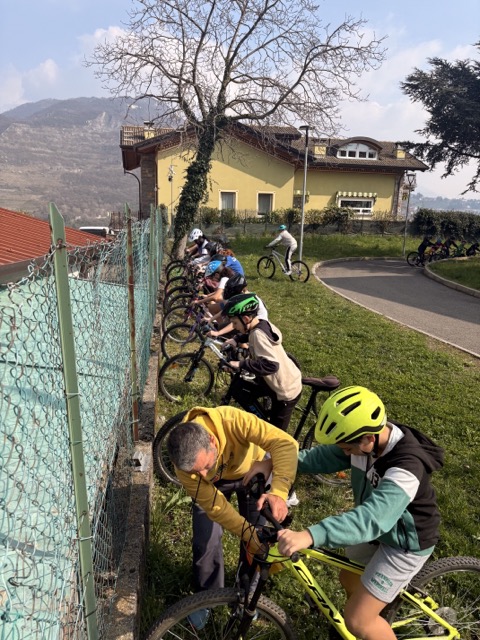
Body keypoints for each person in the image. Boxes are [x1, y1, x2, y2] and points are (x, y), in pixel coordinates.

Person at [270, 385, 444, 640]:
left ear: (369, 439)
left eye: (347, 449)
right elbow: (322, 457)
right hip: (378, 530)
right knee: (348, 577)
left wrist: (310, 535)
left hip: (405, 543)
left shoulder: (407, 467)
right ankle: (372, 614)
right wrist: (274, 462)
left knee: (357, 620)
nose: (344, 453)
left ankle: (367, 622)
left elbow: (372, 519)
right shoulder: (365, 440)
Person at [167, 405, 298, 627]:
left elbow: (286, 443)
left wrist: (278, 492)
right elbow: (216, 507)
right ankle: (207, 598)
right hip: (216, 490)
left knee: (258, 540)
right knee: (205, 539)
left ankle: (246, 596)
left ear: (211, 440)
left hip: (252, 472)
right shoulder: (185, 466)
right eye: (196, 472)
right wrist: (248, 533)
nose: (203, 475)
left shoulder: (233, 420)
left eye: (206, 466)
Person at [223, 293, 302, 431]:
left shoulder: (258, 335)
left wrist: (240, 364)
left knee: (275, 436)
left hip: (286, 391)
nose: (234, 326)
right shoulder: (260, 323)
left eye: (235, 323)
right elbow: (249, 333)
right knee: (241, 388)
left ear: (246, 319)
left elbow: (271, 365)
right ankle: (261, 420)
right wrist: (236, 339)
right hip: (279, 380)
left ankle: (266, 428)